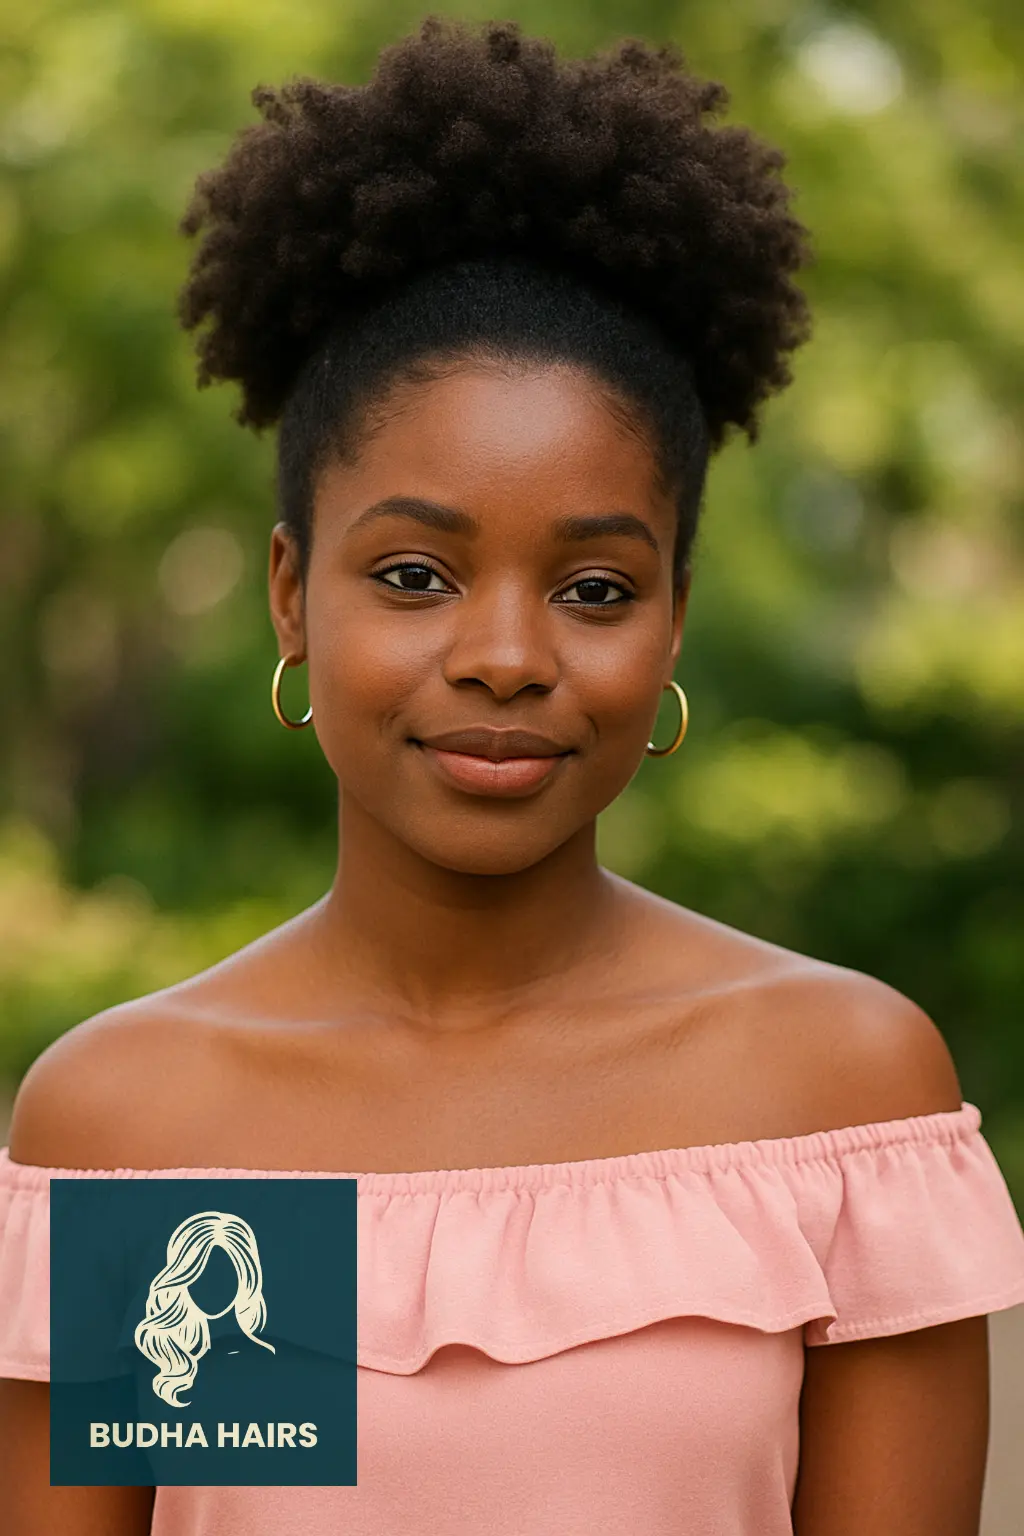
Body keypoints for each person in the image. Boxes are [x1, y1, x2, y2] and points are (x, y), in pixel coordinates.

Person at [2, 16, 1023, 1535]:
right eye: (414, 573)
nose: (504, 656)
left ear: (676, 612)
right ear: (292, 594)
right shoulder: (145, 1122)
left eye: (596, 589)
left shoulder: (839, 1093)